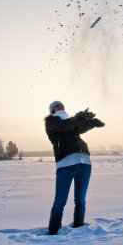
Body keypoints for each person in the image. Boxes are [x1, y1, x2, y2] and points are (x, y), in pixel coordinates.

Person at [44, 100, 105, 235]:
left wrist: (90, 123)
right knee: (60, 200)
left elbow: (79, 128)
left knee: (80, 199)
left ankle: (79, 225)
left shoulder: (70, 122)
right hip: (65, 164)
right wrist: (79, 116)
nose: (61, 107)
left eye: (62, 105)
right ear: (52, 110)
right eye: (57, 106)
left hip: (84, 162)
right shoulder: (52, 122)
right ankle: (53, 231)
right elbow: (65, 125)